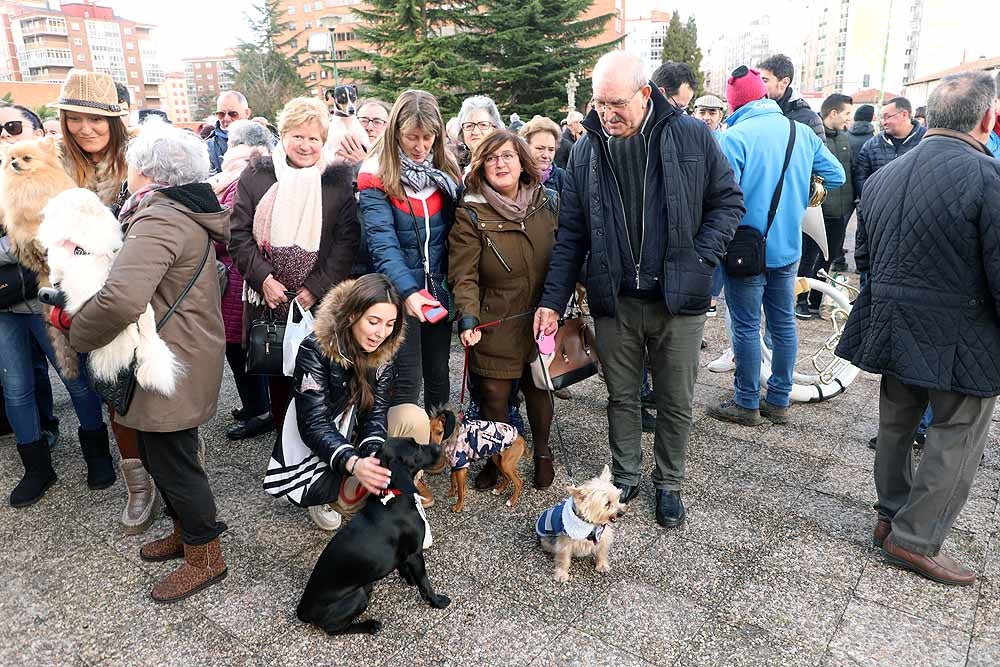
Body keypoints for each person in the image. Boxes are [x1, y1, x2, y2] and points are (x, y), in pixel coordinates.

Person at [534, 51, 745, 528]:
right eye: (599, 103)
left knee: (675, 399)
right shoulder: (586, 148)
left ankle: (668, 482)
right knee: (622, 397)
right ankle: (626, 474)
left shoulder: (692, 135)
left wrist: (699, 257)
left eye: (616, 103)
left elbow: (728, 202)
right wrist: (551, 301)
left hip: (679, 301)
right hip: (616, 300)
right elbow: (571, 234)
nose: (607, 113)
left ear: (645, 94)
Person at [835, 72, 1000, 586]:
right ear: (988, 118)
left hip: (891, 321)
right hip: (962, 332)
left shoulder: (886, 174)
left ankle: (891, 514)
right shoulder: (988, 177)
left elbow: (864, 255)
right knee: (956, 432)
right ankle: (916, 537)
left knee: (897, 423)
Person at [69, 119, 229, 602]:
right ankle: (187, 534)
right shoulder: (179, 210)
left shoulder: (159, 217)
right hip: (181, 349)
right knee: (165, 452)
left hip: (170, 356)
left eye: (133, 163)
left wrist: (77, 332)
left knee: (176, 460)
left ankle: (207, 554)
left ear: (149, 172)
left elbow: (121, 299)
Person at [707, 66, 844, 427]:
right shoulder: (801, 131)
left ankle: (746, 401)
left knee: (746, 326)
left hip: (744, 250)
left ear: (735, 103)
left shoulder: (732, 137)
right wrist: (802, 188)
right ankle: (779, 399)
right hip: (788, 247)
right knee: (783, 323)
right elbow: (836, 176)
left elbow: (720, 196)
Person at [229, 96, 361, 436]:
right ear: (283, 134)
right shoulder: (257, 175)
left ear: (323, 140)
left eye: (313, 138)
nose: (305, 145)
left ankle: (324, 451)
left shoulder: (335, 180)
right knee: (280, 381)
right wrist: (264, 280)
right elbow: (239, 235)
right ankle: (286, 451)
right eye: (297, 136)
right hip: (269, 301)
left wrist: (314, 288)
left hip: (321, 301)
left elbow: (346, 242)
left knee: (324, 379)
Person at [1, 104, 111, 509]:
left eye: (12, 126)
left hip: (52, 291)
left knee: (74, 374)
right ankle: (36, 466)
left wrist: (28, 243)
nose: (5, 135)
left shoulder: (63, 176)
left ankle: (97, 453)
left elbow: (73, 234)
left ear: (36, 131)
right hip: (5, 302)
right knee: (15, 387)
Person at [57, 69, 152, 531]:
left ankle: (178, 475)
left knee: (160, 386)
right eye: (75, 118)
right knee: (115, 393)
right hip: (89, 303)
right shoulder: (55, 170)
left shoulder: (142, 159)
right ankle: (139, 486)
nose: (85, 128)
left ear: (116, 121)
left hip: (148, 295)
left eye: (96, 119)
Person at [263, 274, 432, 523]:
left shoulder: (383, 352)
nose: (381, 333)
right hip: (322, 447)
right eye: (373, 321)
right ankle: (330, 497)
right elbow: (314, 423)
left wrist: (375, 456)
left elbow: (376, 413)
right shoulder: (315, 349)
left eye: (389, 324)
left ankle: (387, 493)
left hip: (354, 436)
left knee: (414, 418)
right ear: (352, 315)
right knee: (349, 498)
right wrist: (354, 463)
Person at [450, 130, 558, 489]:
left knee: (538, 387)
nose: (500, 164)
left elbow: (567, 253)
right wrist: (468, 316)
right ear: (480, 165)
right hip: (495, 316)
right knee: (495, 395)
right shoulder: (471, 210)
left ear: (521, 161)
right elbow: (463, 272)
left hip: (543, 316)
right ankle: (499, 457)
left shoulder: (546, 201)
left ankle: (542, 451)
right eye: (492, 158)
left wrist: (561, 298)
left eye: (507, 156)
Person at [358, 90, 462, 413]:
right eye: (411, 137)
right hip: (399, 293)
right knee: (406, 379)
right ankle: (403, 454)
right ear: (395, 133)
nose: (419, 147)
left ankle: (438, 450)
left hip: (439, 288)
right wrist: (408, 291)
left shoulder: (446, 171)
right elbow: (382, 243)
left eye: (428, 137)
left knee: (438, 373)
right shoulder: (376, 172)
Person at [208, 120, 275, 441]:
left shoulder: (236, 187)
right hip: (237, 281)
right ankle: (256, 407)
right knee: (244, 351)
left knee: (241, 352)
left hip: (236, 283)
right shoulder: (242, 183)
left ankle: (259, 411)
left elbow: (227, 236)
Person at [796, 93, 855, 320]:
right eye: (846, 113)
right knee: (808, 258)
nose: (848, 119)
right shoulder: (812, 138)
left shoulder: (845, 139)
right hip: (816, 208)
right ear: (833, 113)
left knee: (827, 258)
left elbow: (851, 173)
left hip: (840, 212)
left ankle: (817, 301)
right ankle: (801, 300)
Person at [757, 54, 824, 138]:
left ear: (784, 82)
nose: (759, 85)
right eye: (758, 80)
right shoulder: (757, 112)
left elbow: (819, 150)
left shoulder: (809, 119)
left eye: (765, 80)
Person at [206, 91, 252, 173]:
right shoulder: (207, 148)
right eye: (221, 114)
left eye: (233, 114)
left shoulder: (267, 141)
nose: (226, 118)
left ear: (247, 113)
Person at [520, 115, 566, 192]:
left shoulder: (562, 178)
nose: (546, 155)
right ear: (525, 147)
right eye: (540, 148)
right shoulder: (515, 176)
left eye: (551, 150)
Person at [456, 95, 502, 170]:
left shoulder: (502, 167)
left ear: (495, 128)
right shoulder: (458, 169)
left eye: (483, 125)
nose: (475, 132)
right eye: (469, 126)